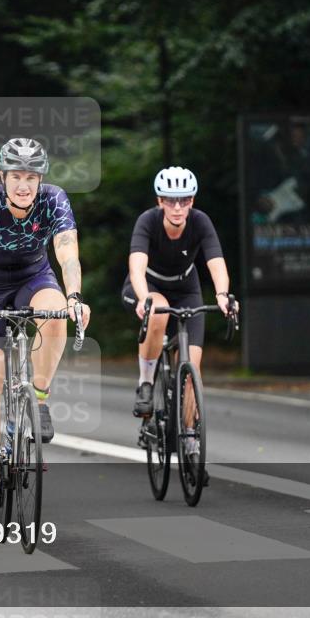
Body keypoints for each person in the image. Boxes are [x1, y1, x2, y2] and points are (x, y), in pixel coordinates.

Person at [0, 137, 90, 524]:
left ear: (40, 178)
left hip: (34, 276)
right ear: (2, 176)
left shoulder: (54, 199)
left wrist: (76, 296)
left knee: (56, 309)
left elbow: (67, 252)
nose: (24, 185)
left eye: (31, 176)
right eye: (16, 176)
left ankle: (40, 397)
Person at [121, 167, 236, 457]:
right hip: (149, 284)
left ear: (192, 201)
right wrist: (144, 297)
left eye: (183, 200)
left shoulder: (200, 222)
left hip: (186, 289)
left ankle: (189, 440)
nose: (177, 207)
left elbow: (216, 262)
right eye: (170, 200)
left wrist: (223, 295)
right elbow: (136, 265)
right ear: (159, 201)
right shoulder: (148, 221)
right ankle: (146, 383)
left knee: (191, 371)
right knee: (158, 310)